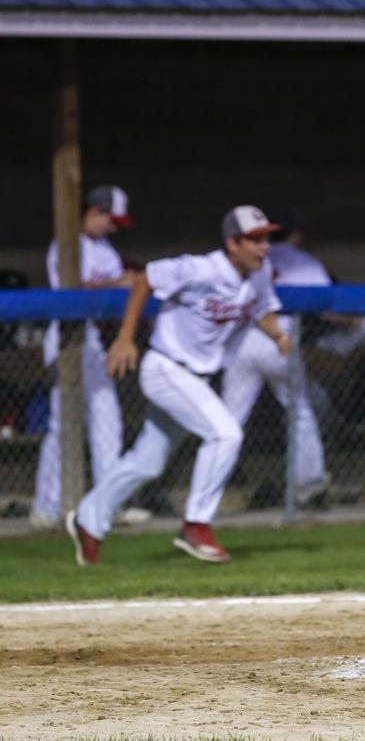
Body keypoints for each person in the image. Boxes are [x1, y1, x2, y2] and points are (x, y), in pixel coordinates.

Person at [66, 206, 288, 565]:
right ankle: (196, 525)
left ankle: (87, 520)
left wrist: (276, 334)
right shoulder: (200, 268)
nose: (264, 246)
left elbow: (261, 307)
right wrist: (125, 338)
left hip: (194, 378)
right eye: (255, 239)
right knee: (225, 434)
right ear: (232, 243)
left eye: (266, 238)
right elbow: (145, 279)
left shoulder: (257, 275)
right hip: (166, 368)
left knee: (147, 463)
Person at [30, 186, 140, 529]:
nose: (114, 227)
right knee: (64, 422)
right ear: (93, 211)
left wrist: (127, 284)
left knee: (108, 418)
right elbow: (72, 288)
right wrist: (120, 283)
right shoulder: (66, 244)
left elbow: (113, 292)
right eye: (110, 219)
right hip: (64, 338)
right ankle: (46, 507)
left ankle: (108, 504)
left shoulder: (104, 249)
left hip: (91, 339)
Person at [222, 220, 331, 508]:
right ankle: (309, 486)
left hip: (242, 343)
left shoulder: (251, 258)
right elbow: (326, 303)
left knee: (227, 422)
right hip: (279, 339)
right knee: (300, 413)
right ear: (296, 234)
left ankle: (213, 489)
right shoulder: (302, 261)